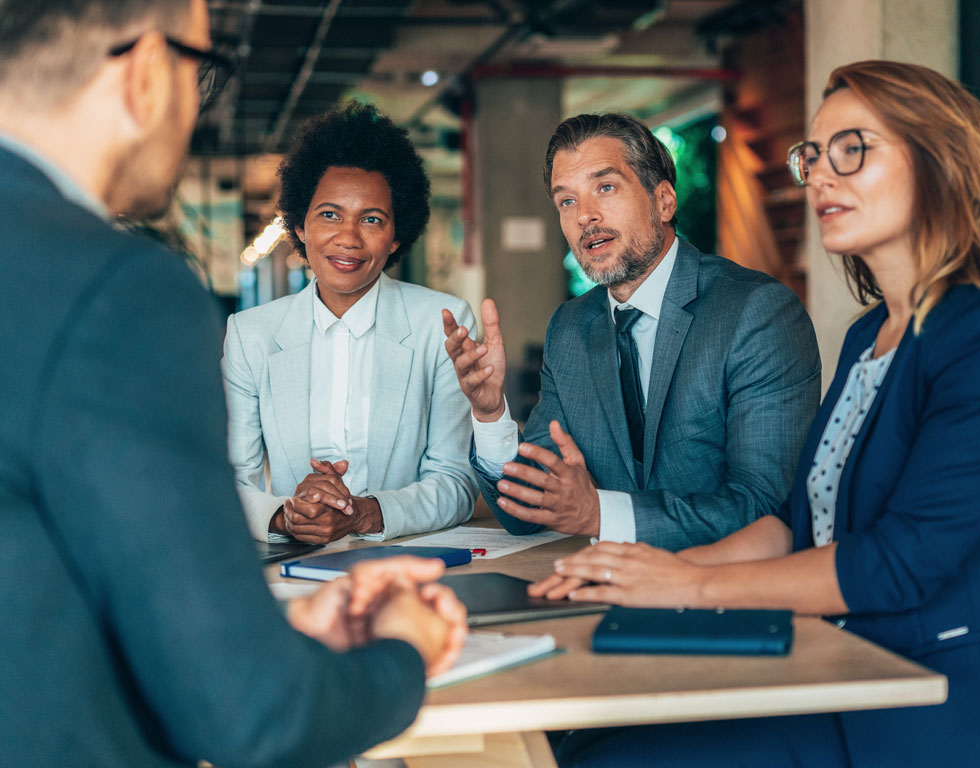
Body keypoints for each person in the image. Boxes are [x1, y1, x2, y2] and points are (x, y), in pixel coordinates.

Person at [0, 1, 466, 765]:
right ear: (149, 72)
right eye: (201, 71)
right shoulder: (115, 290)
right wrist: (404, 649)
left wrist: (262, 635)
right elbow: (255, 718)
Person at [534, 60, 980, 768]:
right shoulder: (870, 334)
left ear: (939, 161)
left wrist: (688, 584)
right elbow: (794, 522)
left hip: (934, 701)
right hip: (835, 670)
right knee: (583, 742)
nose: (822, 174)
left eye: (853, 148)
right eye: (814, 154)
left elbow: (898, 564)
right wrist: (625, 577)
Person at [443, 113, 821, 551]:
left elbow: (765, 507)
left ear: (663, 201)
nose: (585, 215)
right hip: (605, 589)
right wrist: (491, 414)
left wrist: (600, 514)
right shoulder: (570, 328)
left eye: (605, 187)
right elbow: (530, 511)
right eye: (566, 201)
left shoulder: (756, 312)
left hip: (727, 596)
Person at [222, 103, 477, 544]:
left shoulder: (441, 323)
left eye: (372, 219)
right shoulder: (251, 335)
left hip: (405, 561)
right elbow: (228, 484)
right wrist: (287, 516)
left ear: (397, 236)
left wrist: (364, 514)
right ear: (300, 225)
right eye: (330, 214)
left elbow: (456, 484)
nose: (349, 237)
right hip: (295, 564)